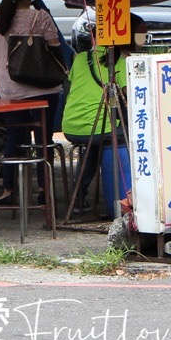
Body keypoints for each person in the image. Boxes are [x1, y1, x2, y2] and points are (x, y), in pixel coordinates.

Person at [0, 0, 64, 202]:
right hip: (43, 89)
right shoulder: (40, 17)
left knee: (13, 137)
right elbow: (55, 48)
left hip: (10, 89)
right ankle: (44, 190)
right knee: (44, 139)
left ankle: (8, 190)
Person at [61, 14, 147, 216]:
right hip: (101, 127)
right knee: (116, 138)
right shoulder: (122, 62)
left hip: (71, 126)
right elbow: (131, 99)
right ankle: (121, 205)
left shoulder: (81, 58)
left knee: (93, 146)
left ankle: (77, 197)